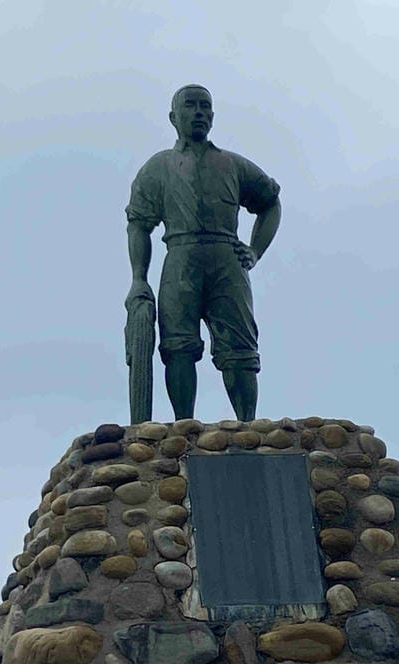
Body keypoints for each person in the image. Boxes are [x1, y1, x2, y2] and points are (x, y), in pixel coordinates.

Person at [125, 84, 281, 422]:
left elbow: (269, 202)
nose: (199, 112)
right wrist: (139, 279)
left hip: (227, 259)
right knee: (178, 346)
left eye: (205, 106)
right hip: (179, 258)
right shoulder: (158, 168)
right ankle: (184, 425)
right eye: (191, 105)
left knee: (240, 349)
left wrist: (254, 251)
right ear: (173, 117)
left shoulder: (232, 165)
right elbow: (138, 223)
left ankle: (248, 425)